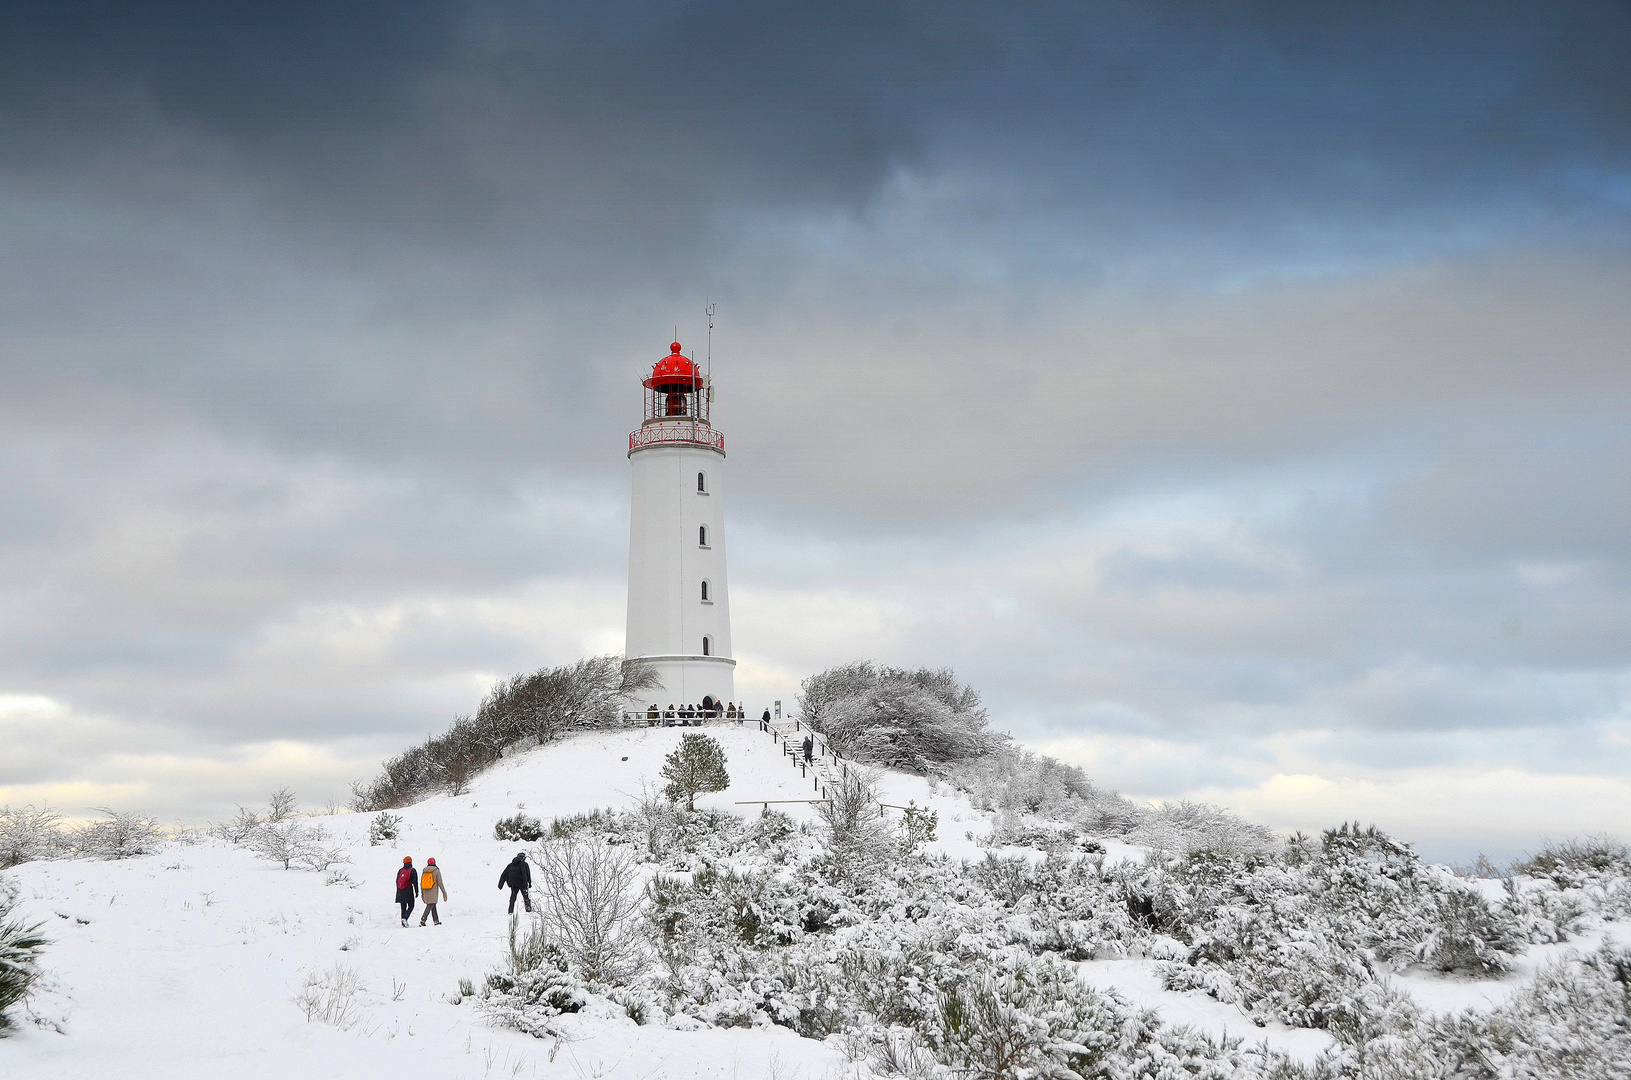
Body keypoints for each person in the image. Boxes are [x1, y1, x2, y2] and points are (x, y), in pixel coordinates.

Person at [419, 857, 448, 926]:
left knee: (433, 905)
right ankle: (423, 920)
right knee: (430, 905)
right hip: (433, 891)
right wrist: (444, 893)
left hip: (426, 890)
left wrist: (422, 893)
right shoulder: (436, 870)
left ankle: (436, 921)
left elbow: (422, 883)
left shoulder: (424, 871)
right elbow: (440, 883)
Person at [395, 856, 419, 926]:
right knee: (411, 905)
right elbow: (415, 882)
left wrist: (399, 890)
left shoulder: (400, 870)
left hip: (400, 891)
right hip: (408, 890)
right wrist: (416, 891)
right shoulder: (413, 870)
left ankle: (403, 923)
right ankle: (405, 918)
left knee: (403, 907)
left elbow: (397, 881)